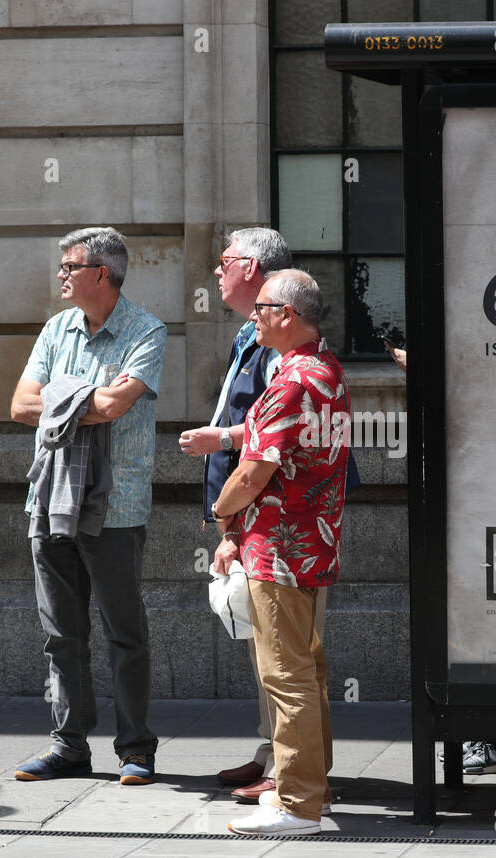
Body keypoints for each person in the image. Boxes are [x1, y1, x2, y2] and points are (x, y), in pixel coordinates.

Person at [9, 226, 167, 785]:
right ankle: (68, 746)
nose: (60, 275)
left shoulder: (146, 331)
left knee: (125, 631)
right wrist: (83, 396)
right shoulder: (56, 330)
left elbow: (116, 407)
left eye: (70, 266)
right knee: (60, 635)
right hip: (48, 498)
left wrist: (62, 396)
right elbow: (19, 404)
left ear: (101, 273)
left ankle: (136, 750)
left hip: (115, 505)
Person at [213, 269, 348, 836]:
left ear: (287, 314)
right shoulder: (327, 370)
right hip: (314, 542)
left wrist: (223, 516)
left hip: (280, 549)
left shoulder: (292, 380)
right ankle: (312, 790)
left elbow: (252, 475)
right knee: (308, 672)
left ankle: (297, 804)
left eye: (262, 307)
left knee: (286, 675)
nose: (254, 315)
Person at [178, 228, 290, 802]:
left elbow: (276, 437)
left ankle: (291, 775)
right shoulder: (252, 332)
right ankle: (271, 754)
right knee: (260, 643)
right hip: (252, 517)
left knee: (285, 653)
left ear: (252, 268)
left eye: (224, 263)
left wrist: (218, 438)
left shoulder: (281, 339)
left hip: (279, 522)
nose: (215, 273)